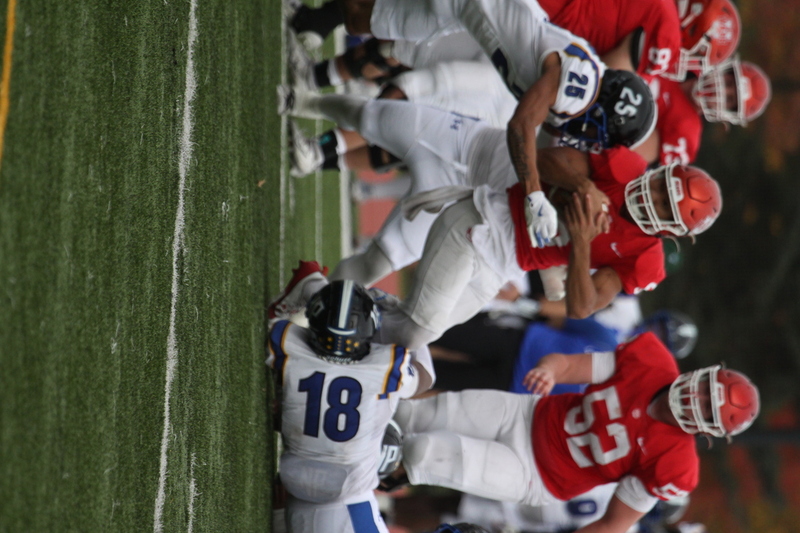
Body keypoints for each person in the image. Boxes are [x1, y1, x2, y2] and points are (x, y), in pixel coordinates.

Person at [277, 95, 720, 350]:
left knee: (413, 331)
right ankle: (308, 98)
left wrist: (582, 242)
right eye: (664, 186)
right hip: (486, 197)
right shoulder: (622, 168)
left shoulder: (645, 261)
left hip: (500, 261)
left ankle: (321, 301)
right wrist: (583, 185)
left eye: (666, 204)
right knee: (379, 117)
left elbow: (581, 307)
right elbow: (540, 159)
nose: (655, 194)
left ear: (672, 231)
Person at [280, 0, 657, 247]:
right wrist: (533, 193)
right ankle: (311, 64)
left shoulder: (589, 86)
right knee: (381, 39)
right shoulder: (578, 86)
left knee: (362, 19)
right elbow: (520, 126)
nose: (592, 139)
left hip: (464, 18)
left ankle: (311, 48)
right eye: (600, 132)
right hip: (468, 11)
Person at [389, 332, 760, 533]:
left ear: (708, 433)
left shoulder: (675, 466)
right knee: (412, 413)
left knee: (425, 453)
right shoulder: (651, 359)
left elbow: (613, 524)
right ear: (702, 374)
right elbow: (568, 365)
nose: (696, 400)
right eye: (704, 389)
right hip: (525, 413)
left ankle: (359, 473)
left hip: (535, 475)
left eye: (708, 409)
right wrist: (551, 371)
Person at [267, 273, 435, 533]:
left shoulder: (287, 343)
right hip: (345, 492)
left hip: (294, 475)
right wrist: (403, 324)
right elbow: (425, 379)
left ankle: (310, 281)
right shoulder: (386, 365)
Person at [634, 56, 772, 165]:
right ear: (725, 71)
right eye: (728, 83)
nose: (721, 91)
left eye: (729, 99)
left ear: (727, 114)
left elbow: (634, 151)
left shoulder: (687, 132)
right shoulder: (684, 59)